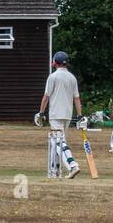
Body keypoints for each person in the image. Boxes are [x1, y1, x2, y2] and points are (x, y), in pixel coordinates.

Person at [37, 51, 82, 180]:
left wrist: (41, 112)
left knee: (58, 142)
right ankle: (54, 171)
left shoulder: (53, 77)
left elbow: (46, 97)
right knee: (56, 142)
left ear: (55, 62)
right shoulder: (72, 77)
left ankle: (73, 165)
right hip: (67, 115)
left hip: (56, 114)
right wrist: (79, 115)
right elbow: (77, 99)